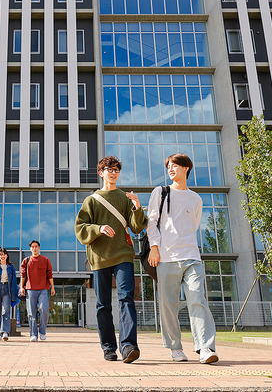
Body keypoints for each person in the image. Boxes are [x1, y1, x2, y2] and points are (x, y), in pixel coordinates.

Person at [146, 153, 218, 364]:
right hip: (166, 257)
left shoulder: (195, 198)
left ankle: (205, 347)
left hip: (191, 257)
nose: (171, 168)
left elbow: (193, 226)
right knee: (168, 304)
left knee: (198, 299)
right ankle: (175, 348)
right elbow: (152, 222)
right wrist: (155, 248)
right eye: (169, 165)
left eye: (175, 165)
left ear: (186, 168)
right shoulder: (160, 192)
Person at [76, 155, 147, 363]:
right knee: (103, 304)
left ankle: (128, 346)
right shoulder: (92, 200)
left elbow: (136, 227)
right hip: (100, 258)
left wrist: (136, 206)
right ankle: (108, 347)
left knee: (126, 298)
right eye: (109, 169)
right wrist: (98, 228)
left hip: (123, 253)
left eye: (116, 169)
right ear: (101, 173)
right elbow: (80, 228)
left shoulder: (125, 198)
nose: (113, 172)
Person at [19, 240, 54, 342]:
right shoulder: (26, 260)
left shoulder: (45, 260)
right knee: (31, 313)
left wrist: (52, 287)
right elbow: (23, 275)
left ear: (39, 248)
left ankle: (42, 332)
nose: (34, 248)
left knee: (44, 309)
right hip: (30, 289)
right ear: (30, 249)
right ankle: (33, 334)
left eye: (36, 246)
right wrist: (22, 287)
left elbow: (50, 275)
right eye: (32, 247)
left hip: (43, 289)